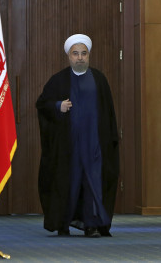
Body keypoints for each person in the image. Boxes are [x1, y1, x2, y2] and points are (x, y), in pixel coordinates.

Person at [36, 34, 119, 238]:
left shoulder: (99, 80)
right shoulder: (59, 80)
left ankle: (92, 224)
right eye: (76, 54)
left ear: (89, 55)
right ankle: (63, 223)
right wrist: (58, 106)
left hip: (94, 146)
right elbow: (42, 104)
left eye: (84, 53)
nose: (80, 58)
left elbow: (109, 113)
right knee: (68, 184)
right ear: (68, 56)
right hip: (68, 147)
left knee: (93, 184)